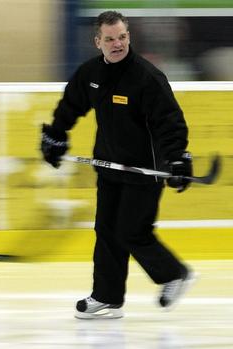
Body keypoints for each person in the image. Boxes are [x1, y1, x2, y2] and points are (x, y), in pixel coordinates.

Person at [40, 11, 195, 320]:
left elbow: (170, 122)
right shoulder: (91, 74)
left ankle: (174, 274)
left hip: (143, 170)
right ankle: (107, 297)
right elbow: (70, 104)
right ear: (98, 41)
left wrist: (177, 157)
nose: (117, 43)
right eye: (109, 38)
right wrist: (55, 136)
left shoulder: (147, 77)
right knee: (108, 231)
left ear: (129, 37)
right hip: (109, 166)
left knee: (132, 231)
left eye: (122, 37)